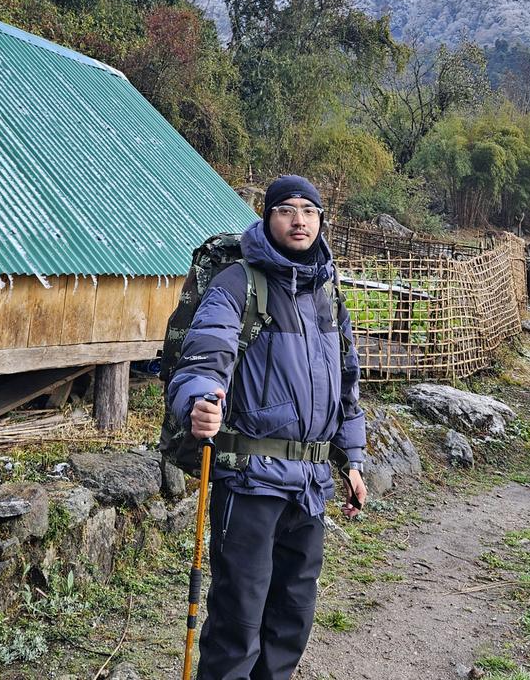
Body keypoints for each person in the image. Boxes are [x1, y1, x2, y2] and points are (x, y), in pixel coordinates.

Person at [168, 175, 367, 680]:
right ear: (267, 217)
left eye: (308, 210)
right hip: (250, 480)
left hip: (311, 486)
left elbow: (346, 384)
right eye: (285, 209)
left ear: (321, 219)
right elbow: (203, 357)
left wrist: (354, 459)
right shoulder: (239, 282)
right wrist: (198, 403)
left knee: (291, 619)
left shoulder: (329, 293)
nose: (298, 220)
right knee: (239, 619)